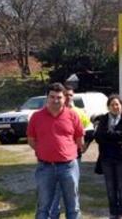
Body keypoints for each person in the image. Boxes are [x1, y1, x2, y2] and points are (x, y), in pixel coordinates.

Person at [27, 83, 84, 219]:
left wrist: (65, 152)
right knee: (43, 207)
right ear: (47, 98)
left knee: (73, 207)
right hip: (45, 167)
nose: (55, 100)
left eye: (59, 97)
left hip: (68, 166)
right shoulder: (36, 116)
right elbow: (31, 140)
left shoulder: (73, 115)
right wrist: (45, 151)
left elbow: (79, 140)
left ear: (64, 98)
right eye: (52, 97)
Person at [49, 85, 92, 219]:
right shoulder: (53, 112)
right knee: (54, 191)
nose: (68, 97)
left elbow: (89, 130)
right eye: (66, 95)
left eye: (71, 95)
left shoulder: (79, 112)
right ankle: (54, 214)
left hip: (73, 158)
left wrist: (85, 146)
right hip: (53, 160)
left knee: (72, 191)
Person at [94, 95, 122, 219]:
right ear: (108, 107)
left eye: (117, 104)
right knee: (110, 186)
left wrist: (108, 135)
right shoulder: (103, 119)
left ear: (121, 106)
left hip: (121, 157)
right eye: (112, 105)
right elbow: (98, 137)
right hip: (106, 158)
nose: (115, 107)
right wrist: (115, 137)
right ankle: (113, 212)